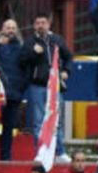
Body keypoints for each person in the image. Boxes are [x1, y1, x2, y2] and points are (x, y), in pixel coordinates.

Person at [20, 14, 72, 164]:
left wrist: (66, 71)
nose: (41, 25)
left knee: (57, 120)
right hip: (37, 86)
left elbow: (68, 57)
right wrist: (32, 52)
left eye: (43, 22)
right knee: (38, 121)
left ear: (49, 24)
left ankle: (60, 152)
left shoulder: (57, 40)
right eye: (38, 23)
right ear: (34, 26)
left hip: (55, 87)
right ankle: (41, 152)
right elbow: (21, 61)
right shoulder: (29, 42)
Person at [0, 19, 26, 161]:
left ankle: (6, 156)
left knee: (9, 127)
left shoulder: (21, 47)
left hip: (15, 93)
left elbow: (26, 69)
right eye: (8, 27)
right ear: (2, 29)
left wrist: (22, 86)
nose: (10, 30)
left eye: (13, 28)